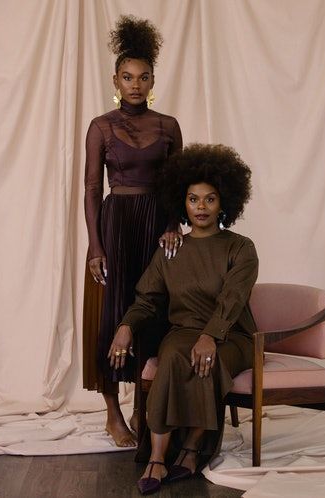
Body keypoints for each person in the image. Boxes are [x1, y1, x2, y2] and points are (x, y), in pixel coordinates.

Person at [110, 143, 259, 494]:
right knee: (175, 356)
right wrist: (126, 326)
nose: (201, 207)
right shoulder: (171, 249)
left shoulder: (241, 247)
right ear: (183, 202)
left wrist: (211, 336)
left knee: (209, 359)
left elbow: (232, 299)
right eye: (193, 199)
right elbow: (146, 297)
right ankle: (158, 458)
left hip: (232, 335)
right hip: (184, 331)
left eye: (210, 199)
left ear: (225, 202)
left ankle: (192, 451)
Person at [82, 15, 183, 448]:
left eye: (143, 77)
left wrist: (173, 225)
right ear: (116, 80)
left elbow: (180, 186)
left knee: (153, 316)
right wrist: (95, 246)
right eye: (127, 77)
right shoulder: (100, 126)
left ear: (153, 80)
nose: (135, 85)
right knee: (111, 315)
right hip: (116, 224)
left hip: (156, 228)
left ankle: (146, 410)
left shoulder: (169, 126)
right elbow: (90, 189)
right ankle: (112, 414)